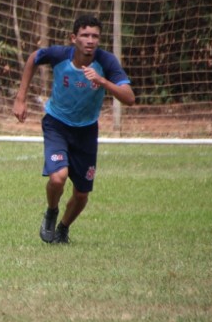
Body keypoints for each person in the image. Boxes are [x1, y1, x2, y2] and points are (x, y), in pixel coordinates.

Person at [13, 14, 135, 243]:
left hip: (86, 131)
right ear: (73, 38)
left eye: (95, 36)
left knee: (81, 194)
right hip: (56, 124)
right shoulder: (60, 55)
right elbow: (34, 58)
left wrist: (103, 82)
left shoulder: (106, 62)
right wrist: (21, 98)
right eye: (85, 35)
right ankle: (51, 212)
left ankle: (63, 230)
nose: (90, 40)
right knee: (58, 178)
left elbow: (129, 98)